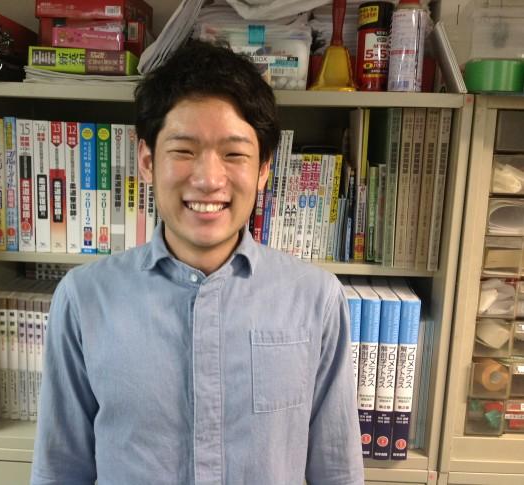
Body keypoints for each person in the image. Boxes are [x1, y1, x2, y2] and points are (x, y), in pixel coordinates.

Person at [31, 40, 364, 485]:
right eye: (184, 151)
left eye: (234, 154)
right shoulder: (84, 299)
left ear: (264, 167)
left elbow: (337, 471)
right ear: (147, 161)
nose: (208, 179)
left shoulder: (315, 299)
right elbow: (60, 471)